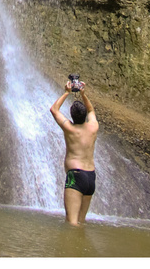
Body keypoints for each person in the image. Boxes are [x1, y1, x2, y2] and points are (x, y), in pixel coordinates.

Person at [49, 79, 99, 226]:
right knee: (80, 222)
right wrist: (83, 94)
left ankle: (72, 249)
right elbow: (91, 110)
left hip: (76, 176)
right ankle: (81, 249)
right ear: (85, 117)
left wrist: (66, 92)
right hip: (91, 177)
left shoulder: (70, 129)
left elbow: (54, 109)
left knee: (71, 224)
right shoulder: (93, 127)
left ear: (71, 116)